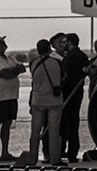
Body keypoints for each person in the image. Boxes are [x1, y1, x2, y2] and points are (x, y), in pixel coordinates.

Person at [0, 34, 26, 159]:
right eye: (1, 43)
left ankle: (5, 152)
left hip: (11, 96)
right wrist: (14, 70)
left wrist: (12, 71)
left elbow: (22, 68)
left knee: (7, 125)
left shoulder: (9, 58)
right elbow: (5, 74)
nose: (4, 44)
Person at [27, 38, 65, 165]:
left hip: (37, 100)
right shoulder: (57, 62)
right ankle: (55, 159)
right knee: (54, 131)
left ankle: (32, 158)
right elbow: (63, 77)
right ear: (49, 48)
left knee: (35, 131)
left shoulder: (33, 63)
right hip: (54, 100)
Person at [57, 33, 89, 161]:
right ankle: (72, 152)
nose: (63, 45)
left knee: (64, 123)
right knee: (73, 122)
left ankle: (62, 151)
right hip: (77, 92)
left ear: (70, 43)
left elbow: (64, 75)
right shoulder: (82, 56)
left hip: (68, 92)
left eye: (65, 42)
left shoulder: (70, 57)